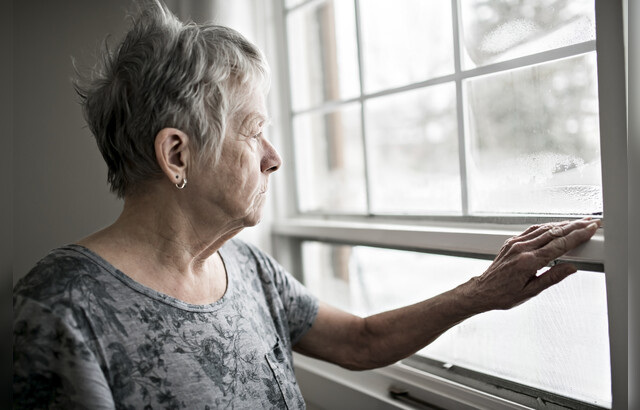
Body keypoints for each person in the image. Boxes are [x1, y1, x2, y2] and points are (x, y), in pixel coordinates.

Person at [12, 1, 601, 409]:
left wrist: (482, 293)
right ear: (176, 155)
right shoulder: (59, 309)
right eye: (252, 130)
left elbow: (361, 341)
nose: (273, 157)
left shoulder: (246, 269)